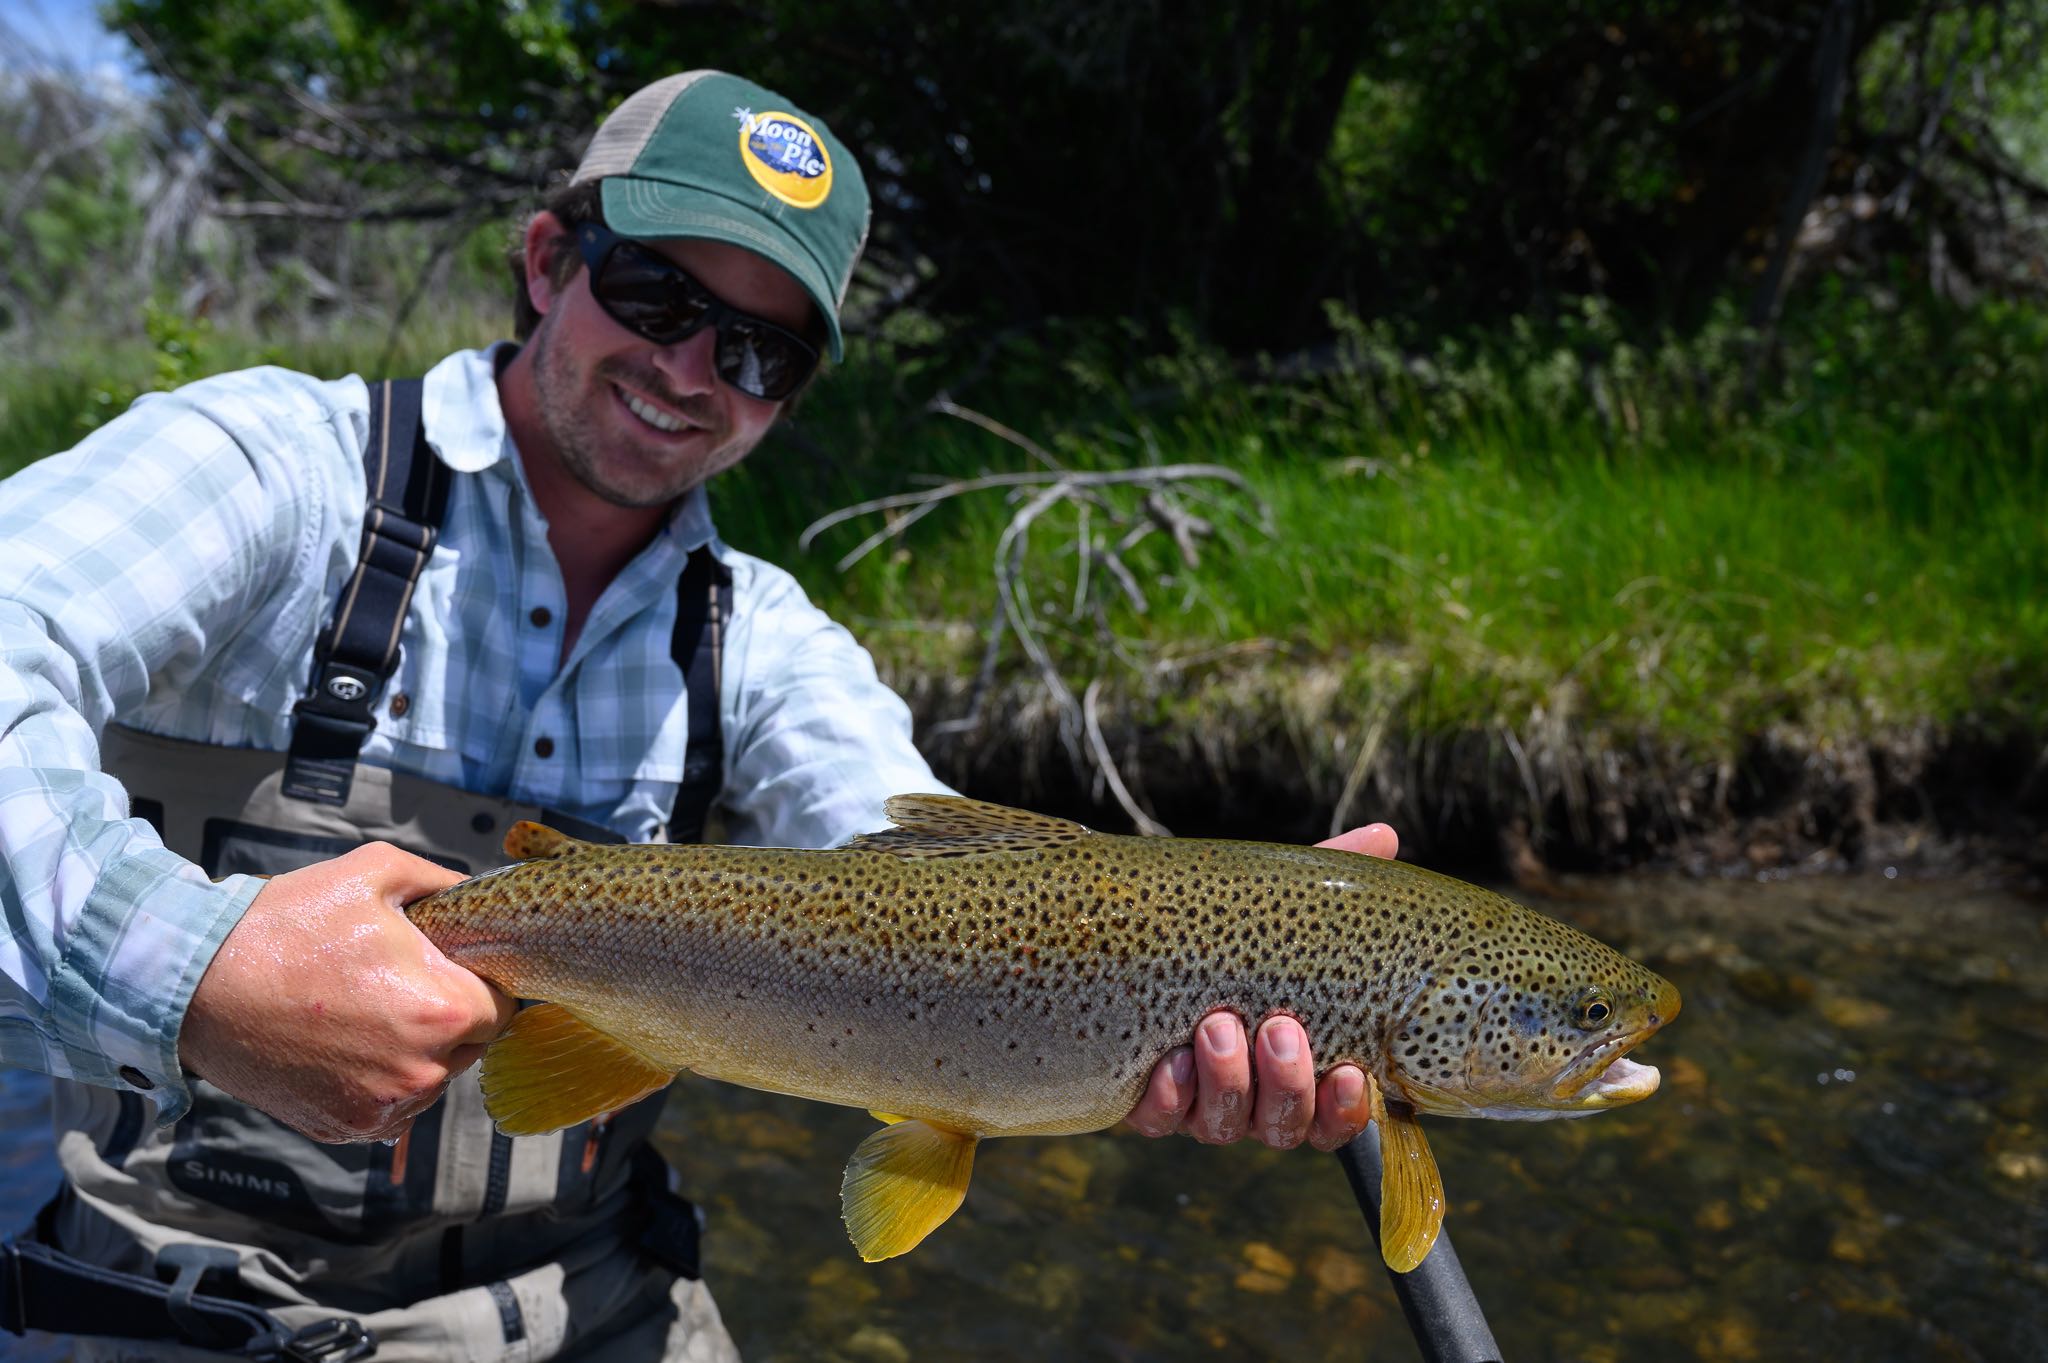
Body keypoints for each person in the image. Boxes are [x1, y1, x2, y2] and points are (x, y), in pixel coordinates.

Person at [0, 70, 1394, 1360]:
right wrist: (190, 969)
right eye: (657, 296)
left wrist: (1221, 944)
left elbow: (932, 886)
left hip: (574, 1300)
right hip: (158, 1282)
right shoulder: (276, 472)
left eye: (760, 352)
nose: (690, 372)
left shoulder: (768, 638)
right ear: (550, 262)